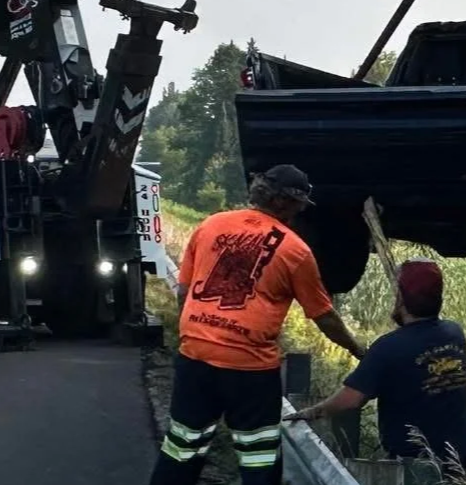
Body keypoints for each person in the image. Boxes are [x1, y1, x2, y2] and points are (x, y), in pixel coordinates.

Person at [148, 164, 366, 485]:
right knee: (259, 457)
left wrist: (193, 335)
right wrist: (357, 349)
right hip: (249, 372)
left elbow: (184, 290)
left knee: (183, 446)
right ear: (290, 204)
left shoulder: (211, 225)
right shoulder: (295, 251)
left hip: (195, 359)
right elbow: (323, 316)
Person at [284, 257, 466, 481]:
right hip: (460, 458)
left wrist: (312, 411)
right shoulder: (454, 333)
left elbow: (351, 399)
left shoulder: (388, 347)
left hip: (414, 465)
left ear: (402, 299)